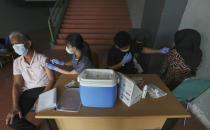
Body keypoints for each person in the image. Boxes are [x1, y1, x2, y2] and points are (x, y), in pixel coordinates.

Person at [5, 32, 55, 130]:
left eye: (17, 44)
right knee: (12, 120)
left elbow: (52, 79)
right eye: (13, 45)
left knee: (49, 116)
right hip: (29, 92)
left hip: (45, 89)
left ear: (28, 43)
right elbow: (17, 84)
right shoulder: (17, 62)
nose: (15, 47)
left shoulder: (43, 59)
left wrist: (42, 97)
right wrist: (15, 106)